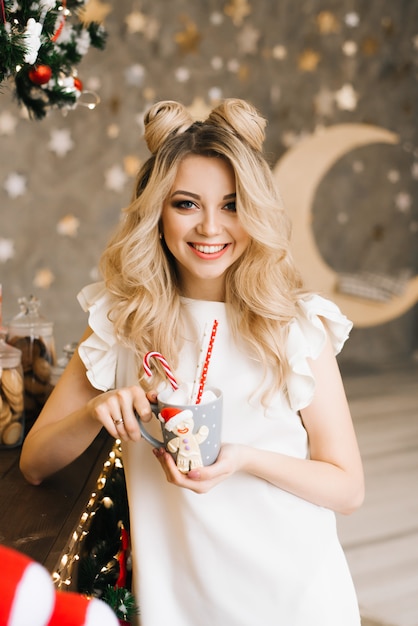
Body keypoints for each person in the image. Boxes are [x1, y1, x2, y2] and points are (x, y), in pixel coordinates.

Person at [20, 99, 365, 626]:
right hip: (177, 605)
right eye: (186, 204)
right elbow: (35, 463)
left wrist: (243, 458)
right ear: (156, 212)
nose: (210, 227)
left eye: (231, 205)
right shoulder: (121, 321)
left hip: (297, 597)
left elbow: (347, 488)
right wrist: (98, 412)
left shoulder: (293, 324)